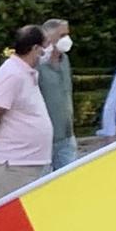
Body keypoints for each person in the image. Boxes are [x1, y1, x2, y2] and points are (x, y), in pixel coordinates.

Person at [0, 28, 55, 200]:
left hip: (25, 162)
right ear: (35, 48)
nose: (47, 51)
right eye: (45, 46)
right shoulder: (12, 74)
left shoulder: (25, 72)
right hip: (12, 164)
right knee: (6, 220)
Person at [32, 17, 80, 165]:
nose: (67, 39)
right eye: (62, 35)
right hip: (44, 138)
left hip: (66, 135)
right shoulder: (36, 64)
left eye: (67, 34)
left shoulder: (65, 60)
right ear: (48, 37)